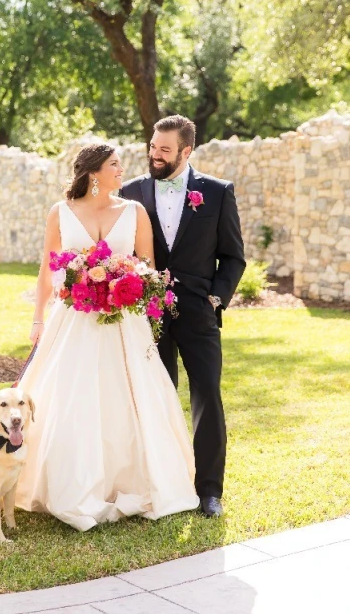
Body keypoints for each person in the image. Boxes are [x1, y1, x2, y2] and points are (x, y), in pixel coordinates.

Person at [15, 143, 199, 531]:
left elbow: (147, 266)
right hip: (74, 319)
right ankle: (70, 483)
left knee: (127, 399)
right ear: (94, 172)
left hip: (123, 321)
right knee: (71, 397)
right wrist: (37, 318)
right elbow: (48, 270)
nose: (122, 170)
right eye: (114, 165)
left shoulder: (134, 212)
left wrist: (130, 281)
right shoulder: (60, 212)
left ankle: (132, 481)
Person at [120, 115, 246, 517]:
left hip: (198, 310)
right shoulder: (130, 192)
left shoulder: (217, 192)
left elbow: (233, 256)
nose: (154, 155)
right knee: (158, 397)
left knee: (207, 394)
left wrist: (215, 298)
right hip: (148, 313)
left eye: (164, 149)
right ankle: (164, 485)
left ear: (186, 151)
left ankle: (209, 490)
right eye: (153, 146)